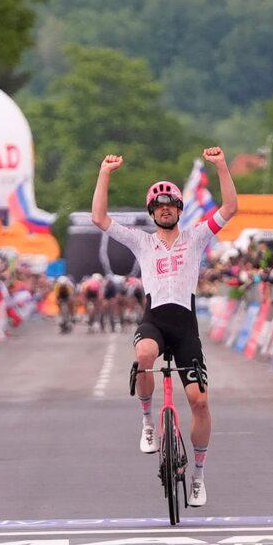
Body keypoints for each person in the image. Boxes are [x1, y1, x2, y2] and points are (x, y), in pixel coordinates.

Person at [91, 146, 237, 508]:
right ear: (152, 213)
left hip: (185, 327)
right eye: (159, 206)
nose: (165, 209)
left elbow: (230, 208)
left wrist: (220, 166)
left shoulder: (196, 237)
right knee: (143, 355)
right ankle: (147, 423)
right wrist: (104, 173)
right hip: (154, 320)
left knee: (199, 402)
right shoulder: (142, 242)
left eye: (171, 204)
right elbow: (99, 219)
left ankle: (199, 477)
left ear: (179, 209)